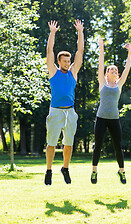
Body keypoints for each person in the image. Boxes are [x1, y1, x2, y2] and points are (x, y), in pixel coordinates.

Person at [44, 20, 84, 185]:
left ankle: (65, 168)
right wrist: (52, 33)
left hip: (70, 112)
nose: (68, 63)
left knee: (69, 144)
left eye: (69, 61)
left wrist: (80, 32)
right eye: (65, 61)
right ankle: (48, 171)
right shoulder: (54, 72)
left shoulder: (73, 73)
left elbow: (80, 52)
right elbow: (49, 52)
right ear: (59, 62)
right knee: (51, 143)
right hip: (55, 112)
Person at [91, 39, 131, 185]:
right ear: (107, 73)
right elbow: (100, 64)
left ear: (117, 74)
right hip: (101, 118)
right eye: (111, 70)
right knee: (98, 145)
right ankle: (94, 171)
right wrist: (101, 47)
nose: (113, 71)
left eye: (115, 70)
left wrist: (130, 52)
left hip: (114, 119)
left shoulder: (119, 85)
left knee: (117, 146)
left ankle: (121, 172)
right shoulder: (102, 82)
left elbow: (127, 68)